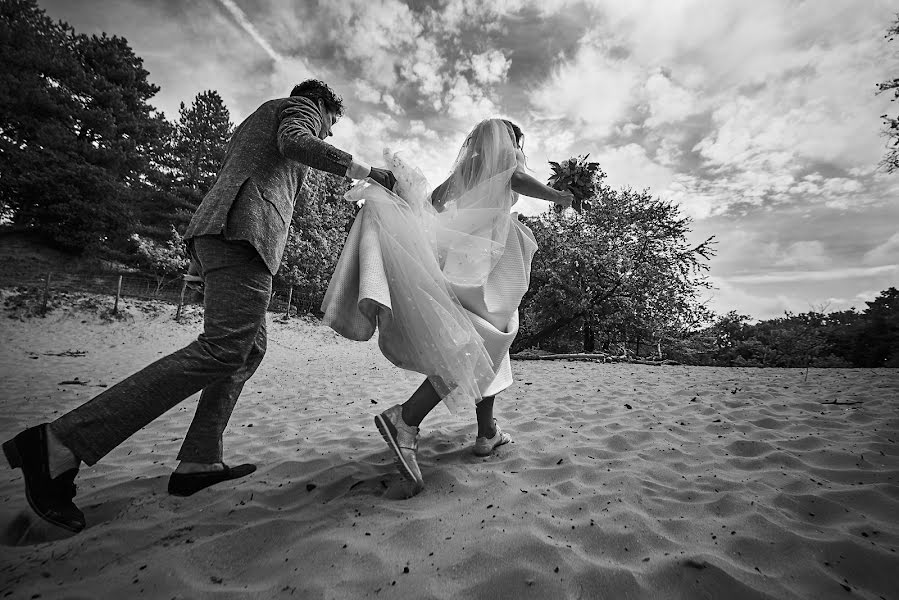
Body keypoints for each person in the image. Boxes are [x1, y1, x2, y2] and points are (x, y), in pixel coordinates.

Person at [2, 79, 396, 533]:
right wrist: (368, 172)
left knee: (246, 349)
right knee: (222, 349)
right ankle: (57, 444)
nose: (328, 132)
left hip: (224, 234)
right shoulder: (296, 108)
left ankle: (199, 461)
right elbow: (297, 143)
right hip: (241, 234)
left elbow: (252, 171)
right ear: (321, 104)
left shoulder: (254, 122)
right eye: (332, 121)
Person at [322, 119, 573, 493]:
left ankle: (486, 431)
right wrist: (560, 196)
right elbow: (515, 180)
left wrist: (420, 226)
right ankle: (405, 419)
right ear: (509, 142)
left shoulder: (466, 169)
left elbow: (434, 203)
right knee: (477, 342)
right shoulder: (508, 160)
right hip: (490, 259)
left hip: (462, 255)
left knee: (490, 341)